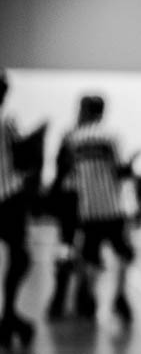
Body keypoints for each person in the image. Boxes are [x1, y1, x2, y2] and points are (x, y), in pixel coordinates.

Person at [63, 95, 135, 323]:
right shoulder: (110, 136)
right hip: (112, 207)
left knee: (91, 255)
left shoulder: (73, 137)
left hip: (88, 207)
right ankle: (120, 296)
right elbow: (121, 170)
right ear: (102, 112)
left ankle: (91, 296)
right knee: (124, 253)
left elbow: (70, 174)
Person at [0, 69, 41, 348]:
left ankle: (10, 316)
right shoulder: (7, 120)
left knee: (19, 258)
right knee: (20, 258)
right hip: (7, 198)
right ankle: (9, 314)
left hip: (8, 196)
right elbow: (24, 159)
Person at [46, 97, 89, 319]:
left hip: (71, 195)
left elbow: (60, 166)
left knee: (67, 244)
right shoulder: (95, 136)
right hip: (83, 196)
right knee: (79, 245)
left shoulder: (71, 135)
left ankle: (63, 295)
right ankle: (78, 295)